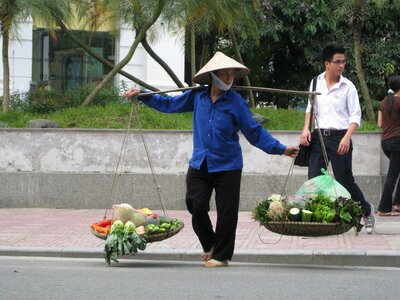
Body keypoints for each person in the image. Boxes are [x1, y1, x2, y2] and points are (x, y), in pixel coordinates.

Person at [124, 51, 299, 267]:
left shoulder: (236, 103)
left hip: (228, 166)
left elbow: (255, 132)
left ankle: (221, 256)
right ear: (213, 76)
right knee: (195, 205)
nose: (228, 78)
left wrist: (281, 149)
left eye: (231, 74)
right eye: (223, 74)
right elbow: (168, 104)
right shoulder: (197, 96)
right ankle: (210, 245)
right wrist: (142, 94)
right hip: (200, 163)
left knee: (227, 214)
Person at [299, 42, 375, 234]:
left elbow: (355, 116)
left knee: (345, 180)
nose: (341, 65)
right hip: (318, 139)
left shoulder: (348, 86)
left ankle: (367, 210)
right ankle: (316, 223)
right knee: (314, 180)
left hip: (341, 137)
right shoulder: (315, 82)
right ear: (327, 63)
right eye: (338, 62)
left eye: (344, 62)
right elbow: (311, 109)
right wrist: (305, 129)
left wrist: (347, 138)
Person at [377, 75, 400, 216]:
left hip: (385, 142)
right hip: (398, 142)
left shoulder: (383, 103)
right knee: (392, 175)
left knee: (395, 172)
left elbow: (380, 124)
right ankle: (383, 208)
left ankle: (398, 204)